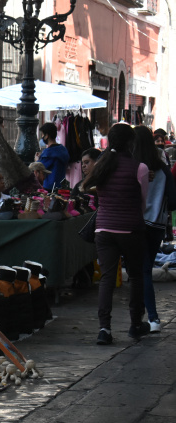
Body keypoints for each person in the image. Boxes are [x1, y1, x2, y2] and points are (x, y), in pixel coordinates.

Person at [81, 124, 149, 345]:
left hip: (104, 230)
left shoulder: (101, 166)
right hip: (131, 230)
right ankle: (135, 324)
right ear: (131, 143)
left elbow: (88, 190)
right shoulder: (140, 168)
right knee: (136, 276)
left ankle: (104, 329)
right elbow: (143, 204)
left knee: (107, 279)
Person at [132, 126, 171, 333]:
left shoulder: (135, 166)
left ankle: (150, 317)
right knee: (144, 269)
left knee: (140, 270)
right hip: (157, 223)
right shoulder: (162, 166)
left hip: (137, 223)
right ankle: (147, 317)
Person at [36, 122, 70, 191]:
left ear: (46, 136)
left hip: (49, 187)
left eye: (42, 134)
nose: (42, 137)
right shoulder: (63, 149)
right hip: (61, 185)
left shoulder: (48, 152)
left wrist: (37, 159)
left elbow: (39, 167)